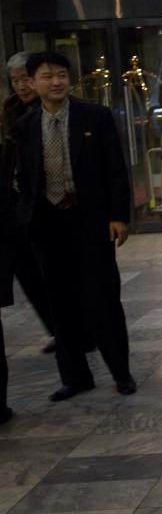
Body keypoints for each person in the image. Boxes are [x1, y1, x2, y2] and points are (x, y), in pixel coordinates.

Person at [15, 51, 136, 402]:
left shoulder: (94, 116)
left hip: (90, 221)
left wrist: (118, 216)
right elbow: (24, 176)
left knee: (103, 299)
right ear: (33, 82)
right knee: (59, 303)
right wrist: (26, 217)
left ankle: (121, 372)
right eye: (47, 76)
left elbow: (115, 168)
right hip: (47, 224)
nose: (56, 82)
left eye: (62, 75)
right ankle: (75, 377)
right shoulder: (25, 125)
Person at [2, 52, 56, 355]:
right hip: (15, 203)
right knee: (27, 272)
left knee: (49, 272)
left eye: (25, 78)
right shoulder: (10, 109)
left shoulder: (47, 108)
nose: (21, 85)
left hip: (42, 200)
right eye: (15, 80)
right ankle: (56, 328)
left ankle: (73, 330)